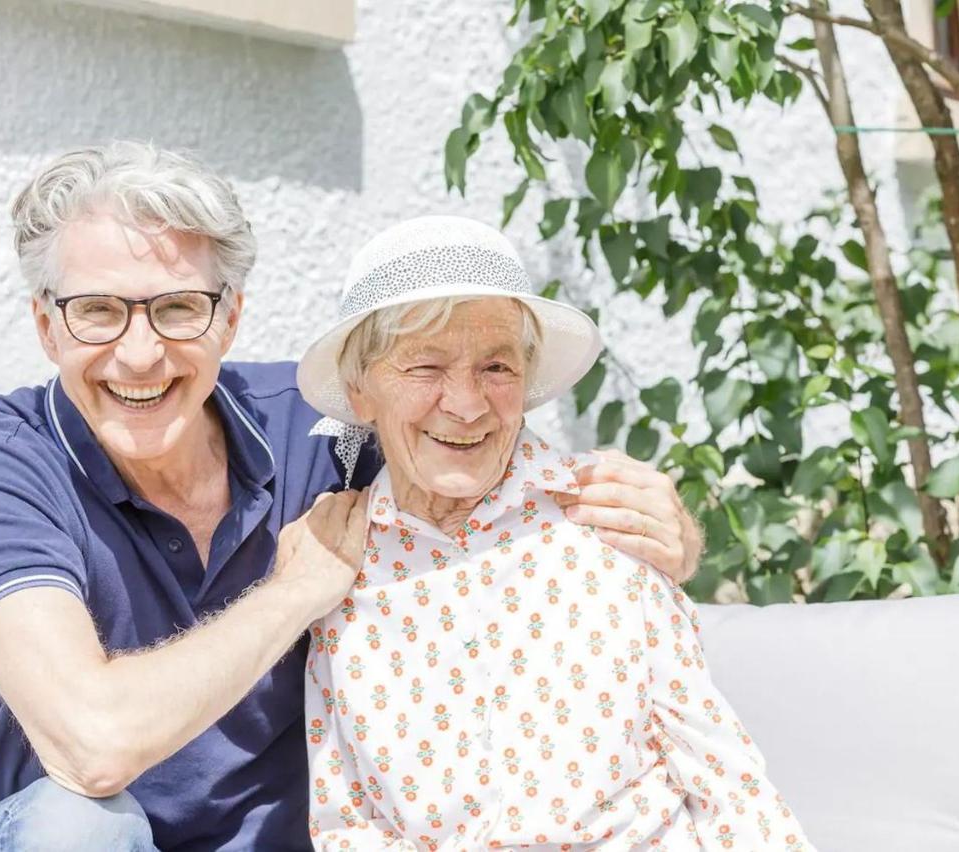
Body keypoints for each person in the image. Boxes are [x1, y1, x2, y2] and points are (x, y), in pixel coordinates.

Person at [0, 143, 704, 852]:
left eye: (179, 306)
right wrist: (293, 592)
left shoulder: (327, 430)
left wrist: (661, 529)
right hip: (58, 839)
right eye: (97, 312)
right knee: (84, 826)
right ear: (48, 328)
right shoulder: (5, 455)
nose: (141, 353)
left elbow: (479, 462)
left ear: (230, 320)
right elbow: (92, 745)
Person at [300, 216, 813, 850]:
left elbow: (721, 775)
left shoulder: (605, 515)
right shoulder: (335, 557)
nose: (466, 403)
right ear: (361, 391)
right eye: (426, 366)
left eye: (496, 367)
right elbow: (346, 824)